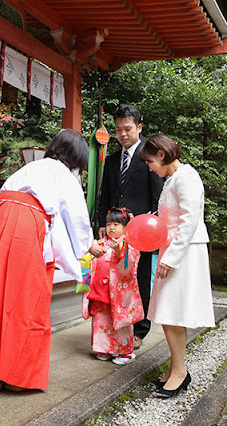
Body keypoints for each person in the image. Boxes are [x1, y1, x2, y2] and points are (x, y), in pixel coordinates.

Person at [0, 129, 105, 392]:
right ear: (76, 159)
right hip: (25, 229)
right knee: (22, 301)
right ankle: (14, 374)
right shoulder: (64, 175)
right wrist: (89, 245)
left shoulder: (29, 169)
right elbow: (76, 218)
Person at [137, 134, 215, 398]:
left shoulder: (187, 177)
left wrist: (170, 259)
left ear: (161, 155)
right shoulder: (174, 179)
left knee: (173, 313)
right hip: (172, 251)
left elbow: (189, 221)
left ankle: (180, 372)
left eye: (149, 162)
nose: (149, 167)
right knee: (169, 314)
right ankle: (177, 368)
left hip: (184, 254)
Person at [96, 104, 164, 350]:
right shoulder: (113, 159)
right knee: (114, 279)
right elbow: (105, 194)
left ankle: (141, 329)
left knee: (140, 279)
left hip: (142, 231)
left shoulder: (151, 156)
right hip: (115, 232)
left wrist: (153, 225)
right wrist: (103, 222)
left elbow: (158, 196)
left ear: (139, 127)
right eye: (118, 130)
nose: (123, 134)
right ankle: (117, 325)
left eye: (128, 129)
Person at [83, 207, 143, 365]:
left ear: (125, 227)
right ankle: (104, 349)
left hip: (118, 293)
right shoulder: (102, 243)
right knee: (101, 319)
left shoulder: (129, 244)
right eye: (109, 224)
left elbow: (129, 267)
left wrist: (119, 251)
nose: (111, 228)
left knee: (119, 321)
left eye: (116, 224)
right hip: (101, 289)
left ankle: (125, 351)